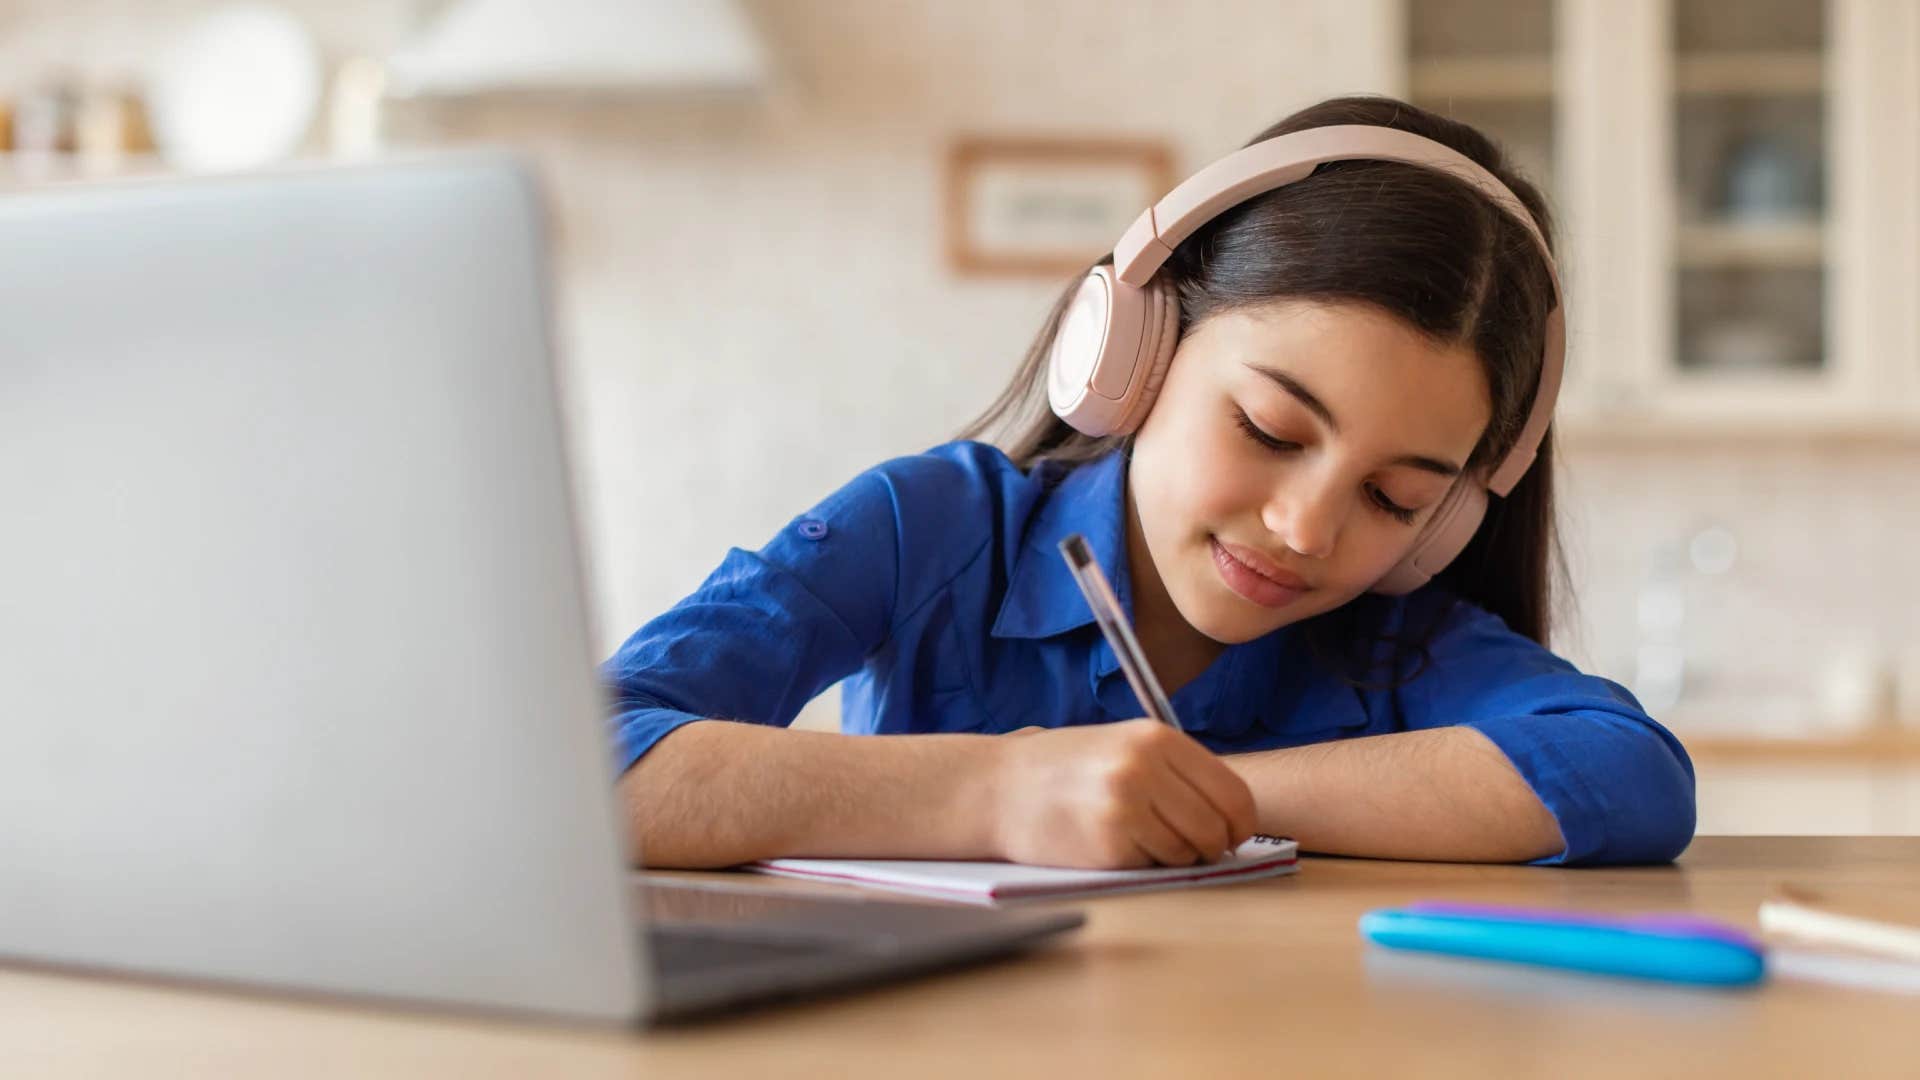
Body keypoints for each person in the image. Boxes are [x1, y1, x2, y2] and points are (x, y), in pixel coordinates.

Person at [602, 95, 1696, 870]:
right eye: (1270, 428)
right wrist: (1001, 795)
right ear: (1133, 351)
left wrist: (1202, 798)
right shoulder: (929, 528)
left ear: (1450, 518)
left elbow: (1630, 774)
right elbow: (591, 760)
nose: (1306, 529)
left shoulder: (1393, 632)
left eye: (1396, 500)